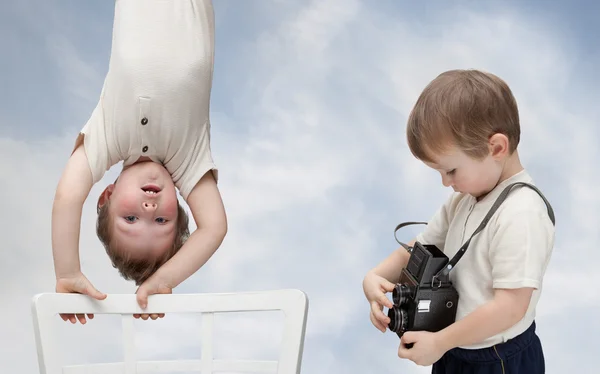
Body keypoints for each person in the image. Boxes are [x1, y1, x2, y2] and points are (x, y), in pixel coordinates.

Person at [363, 69, 555, 373]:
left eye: (451, 171)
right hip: (455, 348)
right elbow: (421, 247)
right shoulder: (462, 200)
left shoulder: (522, 213)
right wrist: (375, 276)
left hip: (498, 358)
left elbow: (511, 307)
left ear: (496, 148)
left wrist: (441, 343)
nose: (445, 183)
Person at [51, 0, 227, 324]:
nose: (149, 210)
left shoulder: (107, 137)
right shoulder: (188, 159)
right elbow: (214, 228)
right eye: (162, 222)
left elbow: (67, 196)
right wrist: (164, 280)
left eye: (130, 218)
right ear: (178, 206)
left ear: (106, 196)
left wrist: (68, 271)